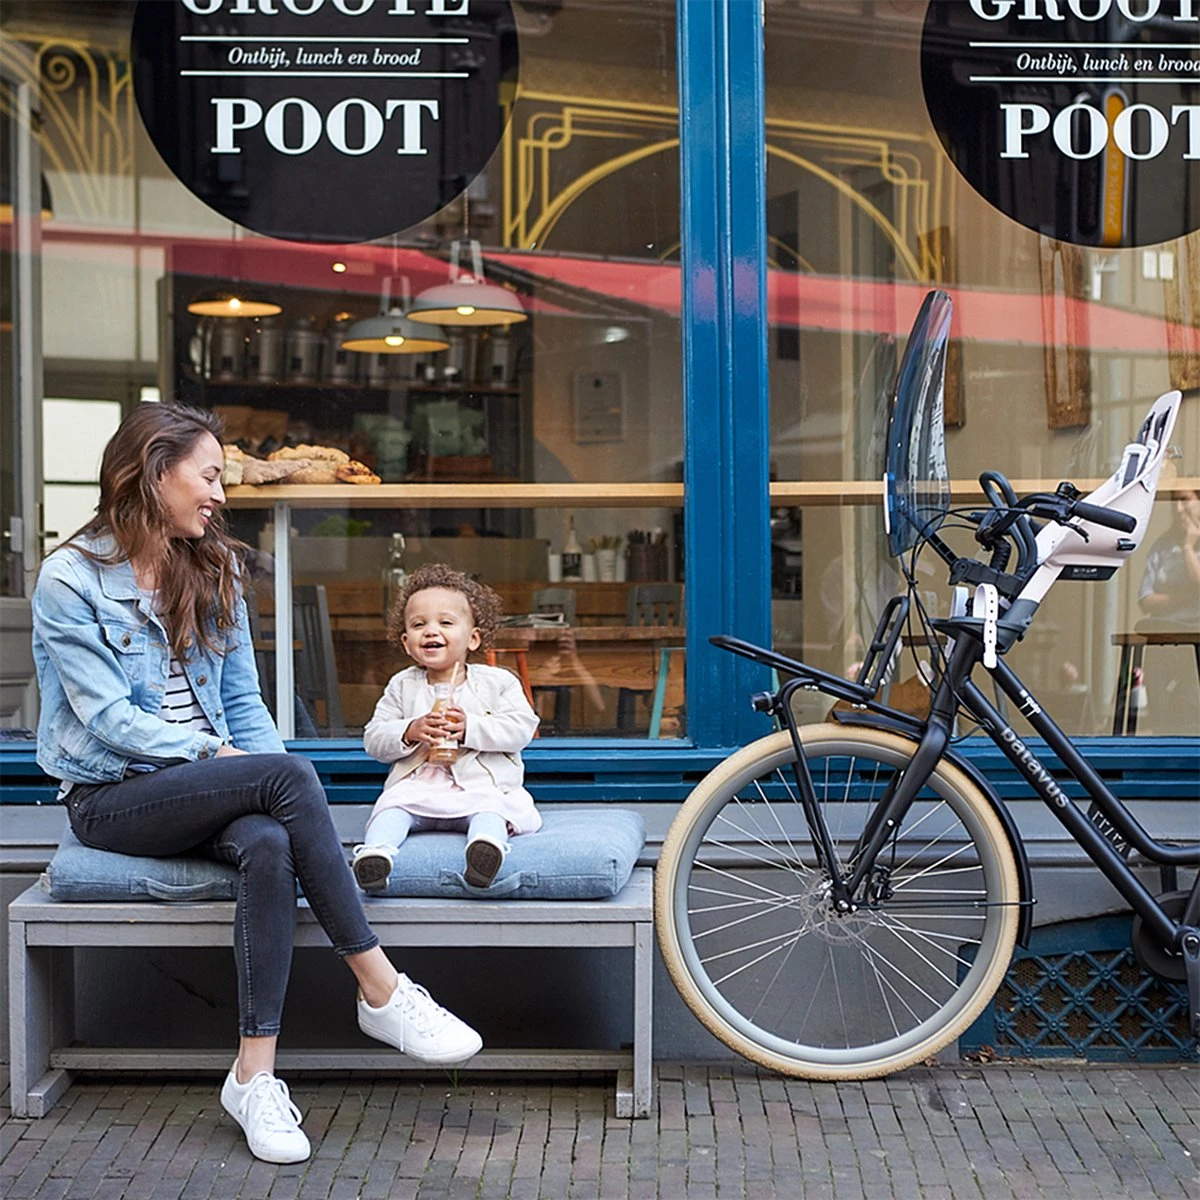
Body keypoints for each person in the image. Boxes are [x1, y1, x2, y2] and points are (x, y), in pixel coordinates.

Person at [30, 403, 482, 1167]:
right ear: (152, 472)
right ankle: (380, 986)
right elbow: (107, 720)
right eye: (208, 475)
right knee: (280, 779)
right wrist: (229, 761)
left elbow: (245, 702)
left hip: (213, 781)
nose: (219, 494)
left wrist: (260, 775)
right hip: (113, 797)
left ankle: (254, 1076)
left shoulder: (216, 566)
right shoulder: (70, 579)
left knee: (271, 841)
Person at [351, 564, 540, 892]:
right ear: (407, 642)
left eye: (446, 622)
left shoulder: (497, 682)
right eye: (419, 624)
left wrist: (471, 728)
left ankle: (485, 849)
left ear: (473, 638)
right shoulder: (402, 686)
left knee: (492, 808)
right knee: (391, 806)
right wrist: (410, 731)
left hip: (479, 786)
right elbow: (374, 737)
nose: (431, 631)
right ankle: (376, 855)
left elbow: (522, 727)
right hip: (420, 787)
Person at [1138, 489, 1200, 625]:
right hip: (1165, 629)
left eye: (1184, 500)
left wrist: (1188, 548)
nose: (1178, 509)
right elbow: (1145, 600)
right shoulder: (1163, 545)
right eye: (1174, 503)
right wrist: (1185, 598)